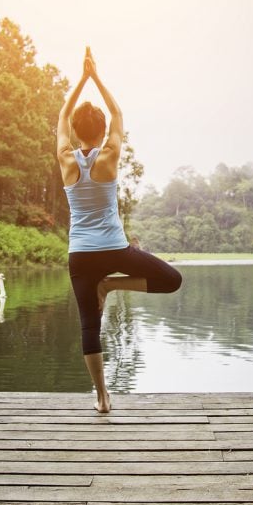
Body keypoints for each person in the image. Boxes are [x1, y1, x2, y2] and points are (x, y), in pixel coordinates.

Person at [57, 47, 182, 413]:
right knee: (171, 279)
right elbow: (117, 114)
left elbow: (63, 115)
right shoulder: (110, 155)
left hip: (80, 255)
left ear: (77, 133)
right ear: (100, 131)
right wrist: (96, 76)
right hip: (114, 250)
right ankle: (111, 284)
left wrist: (81, 79)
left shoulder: (66, 158)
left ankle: (102, 396)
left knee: (88, 327)